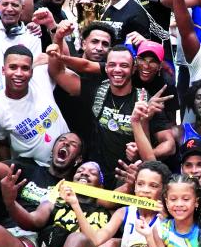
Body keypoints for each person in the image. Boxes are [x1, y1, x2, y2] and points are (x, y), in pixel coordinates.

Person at [52, 45, 176, 188]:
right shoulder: (96, 90)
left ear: (133, 69)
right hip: (93, 177)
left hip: (127, 180)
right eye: (112, 65)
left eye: (124, 65)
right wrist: (57, 40)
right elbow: (58, 73)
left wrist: (142, 154)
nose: (117, 70)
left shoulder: (145, 100)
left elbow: (169, 145)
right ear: (106, 68)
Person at [70, 161, 171, 247]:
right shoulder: (124, 212)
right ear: (134, 187)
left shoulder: (168, 215)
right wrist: (75, 204)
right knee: (110, 243)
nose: (145, 190)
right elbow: (95, 239)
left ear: (163, 190)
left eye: (153, 186)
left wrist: (167, 218)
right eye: (140, 184)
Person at [0, 45, 73, 166]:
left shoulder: (41, 76)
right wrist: (8, 172)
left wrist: (47, 58)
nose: (19, 73)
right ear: (3, 70)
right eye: (13, 67)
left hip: (68, 162)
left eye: (25, 68)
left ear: (32, 71)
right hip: (34, 170)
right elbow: (1, 143)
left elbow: (61, 62)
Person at [0, 0, 43, 91]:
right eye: (5, 4)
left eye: (15, 5)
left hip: (22, 99)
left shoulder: (32, 35)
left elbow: (36, 73)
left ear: (22, 8)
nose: (9, 9)